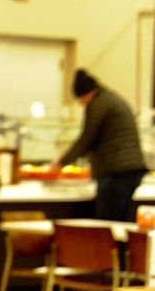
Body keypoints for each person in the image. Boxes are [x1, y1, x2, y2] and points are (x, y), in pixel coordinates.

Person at [53, 68, 148, 221]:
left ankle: (111, 246)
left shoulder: (98, 104)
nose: (81, 104)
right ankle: (120, 246)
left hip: (116, 172)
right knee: (122, 223)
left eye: (81, 100)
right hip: (131, 170)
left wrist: (61, 162)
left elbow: (87, 137)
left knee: (106, 225)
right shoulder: (110, 99)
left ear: (86, 94)